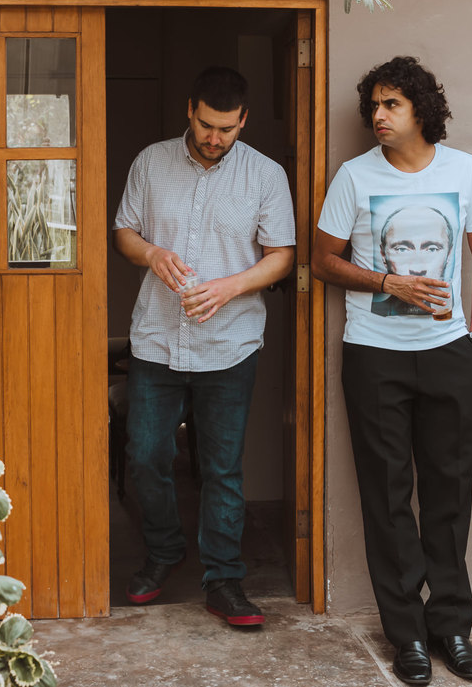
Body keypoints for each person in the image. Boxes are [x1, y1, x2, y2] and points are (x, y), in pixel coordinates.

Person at [311, 56, 472, 685]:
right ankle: (408, 635)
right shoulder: (354, 177)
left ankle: (451, 626)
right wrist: (386, 279)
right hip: (373, 353)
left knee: (448, 490)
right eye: (373, 106)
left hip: (449, 352)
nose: (378, 117)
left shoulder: (463, 169)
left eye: (391, 105)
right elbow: (322, 261)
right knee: (386, 494)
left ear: (422, 108)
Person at [112, 66, 295, 627]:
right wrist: (151, 255)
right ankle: (165, 551)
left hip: (229, 345)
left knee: (222, 469)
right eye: (208, 125)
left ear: (244, 121)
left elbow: (282, 254)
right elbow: (124, 232)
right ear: (190, 110)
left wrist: (230, 286)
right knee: (145, 458)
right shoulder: (150, 161)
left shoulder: (265, 175)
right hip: (155, 341)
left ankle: (224, 579)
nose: (216, 138)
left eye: (228, 129)